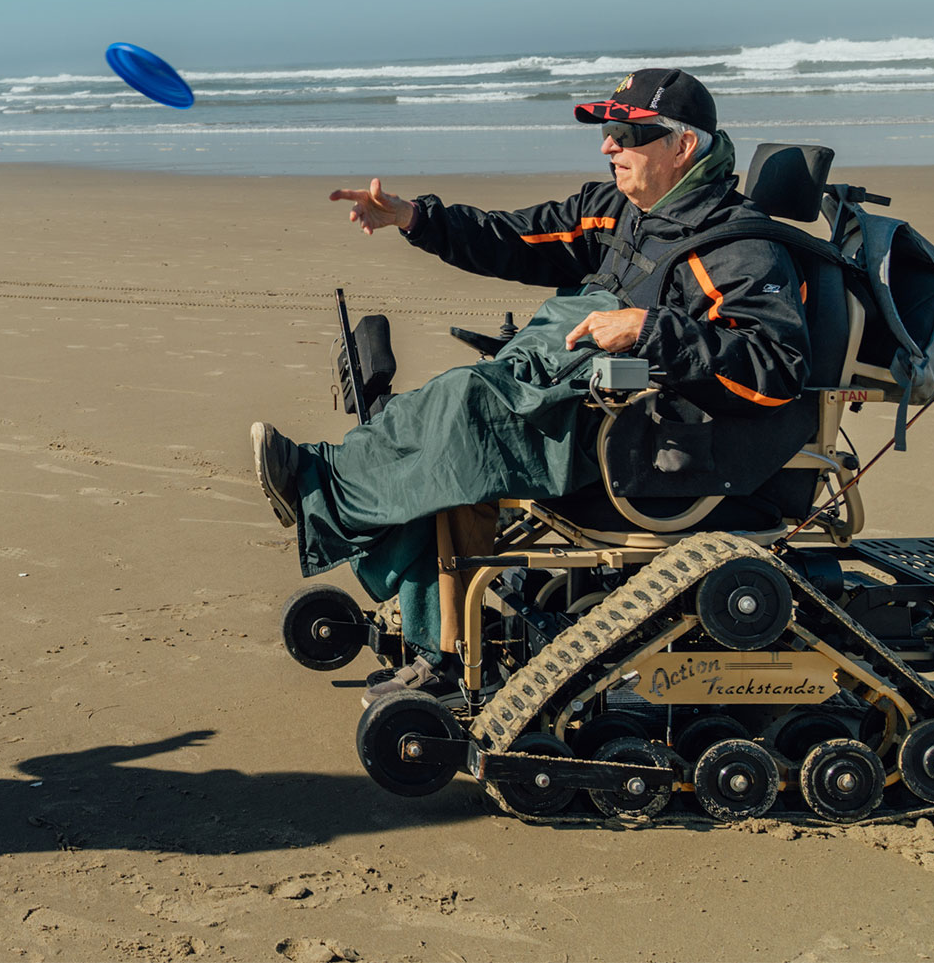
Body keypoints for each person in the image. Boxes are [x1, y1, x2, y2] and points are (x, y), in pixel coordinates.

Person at [252, 69, 812, 703]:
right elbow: (515, 236)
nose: (609, 147)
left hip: (647, 449)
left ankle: (319, 489)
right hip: (583, 401)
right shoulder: (625, 212)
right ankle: (440, 646)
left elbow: (775, 370)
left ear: (682, 146)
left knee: (463, 413)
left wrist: (650, 328)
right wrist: (414, 218)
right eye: (607, 132)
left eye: (627, 133)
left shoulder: (736, 249)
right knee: (449, 428)